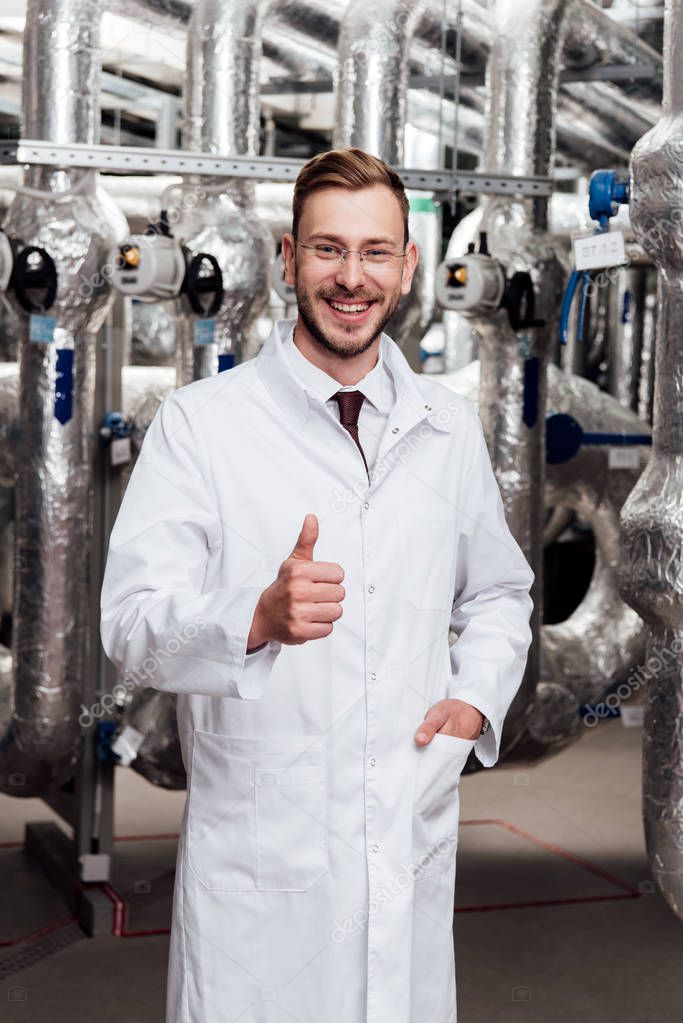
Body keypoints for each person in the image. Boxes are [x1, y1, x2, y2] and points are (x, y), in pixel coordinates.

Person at [100, 146, 534, 1023]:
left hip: (403, 831)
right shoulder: (201, 426)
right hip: (261, 875)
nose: (351, 277)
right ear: (288, 260)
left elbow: (497, 593)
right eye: (328, 250)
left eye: (375, 251)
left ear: (407, 267)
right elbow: (130, 624)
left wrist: (476, 701)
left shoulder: (446, 429)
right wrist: (250, 619)